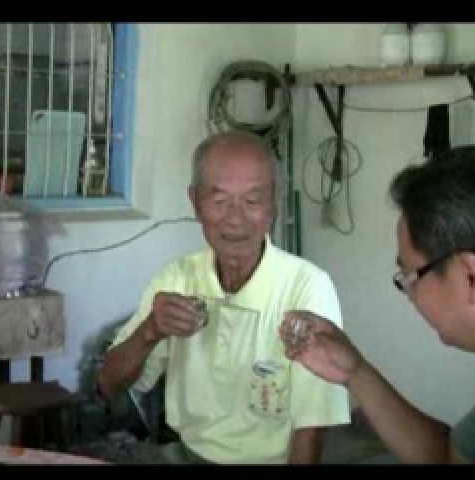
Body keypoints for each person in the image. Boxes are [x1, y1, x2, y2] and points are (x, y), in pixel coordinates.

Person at [281, 146, 475, 464]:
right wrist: (355, 371)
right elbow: (449, 457)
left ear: (471, 277)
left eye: (410, 277)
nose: (410, 296)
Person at [97, 131, 350, 464]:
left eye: (252, 201)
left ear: (273, 204)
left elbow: (313, 426)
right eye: (219, 202)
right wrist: (150, 331)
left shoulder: (307, 287)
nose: (235, 218)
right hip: (186, 455)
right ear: (195, 202)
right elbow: (109, 383)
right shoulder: (178, 278)